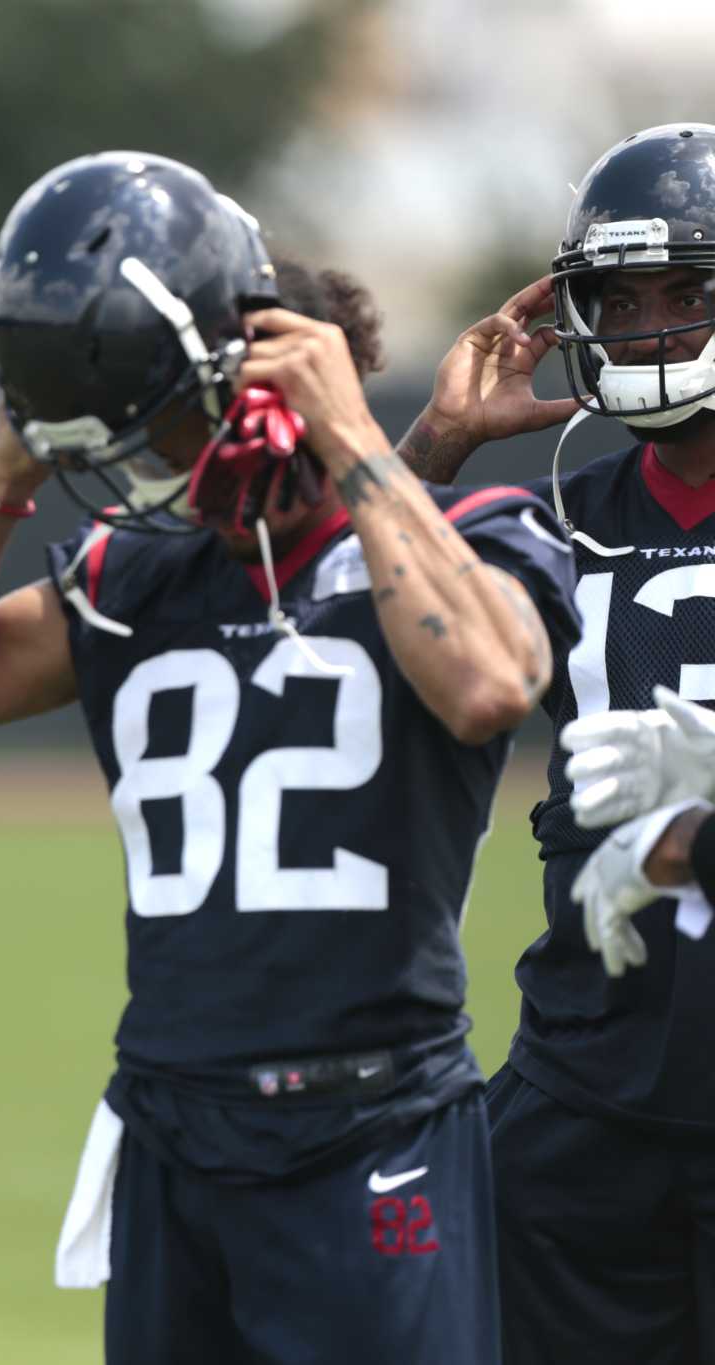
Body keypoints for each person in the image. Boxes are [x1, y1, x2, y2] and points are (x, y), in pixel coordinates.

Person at [0, 151, 577, 1364]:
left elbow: (486, 686)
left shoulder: (471, 540)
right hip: (173, 1124)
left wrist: (353, 437)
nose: (149, 464)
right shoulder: (137, 575)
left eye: (174, 417)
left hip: (370, 1118)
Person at [394, 121, 715, 1363]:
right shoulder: (546, 524)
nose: (644, 330)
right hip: (593, 1086)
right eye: (618, 299)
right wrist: (437, 447)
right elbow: (303, 645)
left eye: (683, 294)